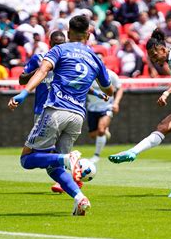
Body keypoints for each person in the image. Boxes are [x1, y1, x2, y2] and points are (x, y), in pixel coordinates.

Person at [8, 16, 114, 216]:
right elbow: (109, 89)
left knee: (27, 159)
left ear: (68, 32)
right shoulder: (95, 58)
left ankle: (68, 158)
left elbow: (42, 71)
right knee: (53, 165)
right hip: (77, 117)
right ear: (88, 34)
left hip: (56, 110)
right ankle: (79, 198)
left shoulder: (60, 50)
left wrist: (24, 92)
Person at [109, 28, 171, 198]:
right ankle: (132, 152)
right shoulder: (170, 58)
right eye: (151, 57)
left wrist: (166, 93)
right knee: (162, 126)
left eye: (155, 55)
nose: (154, 60)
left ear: (163, 49)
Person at [87, 63, 124, 164]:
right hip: (92, 108)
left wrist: (116, 103)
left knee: (101, 130)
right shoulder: (88, 74)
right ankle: (104, 133)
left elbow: (120, 88)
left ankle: (96, 155)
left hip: (106, 107)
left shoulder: (110, 75)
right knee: (92, 134)